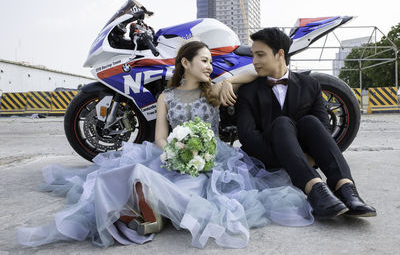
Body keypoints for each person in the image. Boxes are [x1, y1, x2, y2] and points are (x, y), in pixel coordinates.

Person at [17, 41, 314, 249]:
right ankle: (146, 207)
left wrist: (227, 81)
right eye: (205, 61)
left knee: (197, 190)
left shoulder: (214, 88)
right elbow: (160, 135)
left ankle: (149, 211)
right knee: (129, 172)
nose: (210, 66)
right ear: (185, 63)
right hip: (174, 154)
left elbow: (255, 72)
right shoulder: (165, 97)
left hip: (213, 157)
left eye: (211, 61)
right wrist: (172, 151)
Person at [226, 28, 376, 220]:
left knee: (311, 122)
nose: (254, 61)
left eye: (260, 55)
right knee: (281, 123)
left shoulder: (310, 85)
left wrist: (308, 156)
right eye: (253, 55)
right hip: (270, 157)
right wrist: (291, 158)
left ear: (280, 54)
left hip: (306, 153)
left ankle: (346, 188)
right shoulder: (249, 91)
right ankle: (315, 189)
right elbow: (248, 138)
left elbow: (323, 128)